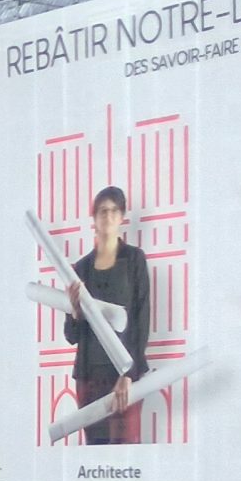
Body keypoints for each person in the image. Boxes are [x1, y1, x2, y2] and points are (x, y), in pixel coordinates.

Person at [63, 186, 152, 443]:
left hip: (124, 375)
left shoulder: (134, 259)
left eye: (114, 210)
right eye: (103, 210)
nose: (108, 215)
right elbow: (71, 335)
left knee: (125, 452)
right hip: (89, 376)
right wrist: (75, 313)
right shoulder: (81, 268)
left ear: (122, 216)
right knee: (95, 453)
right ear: (94, 217)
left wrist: (129, 374)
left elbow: (142, 319)